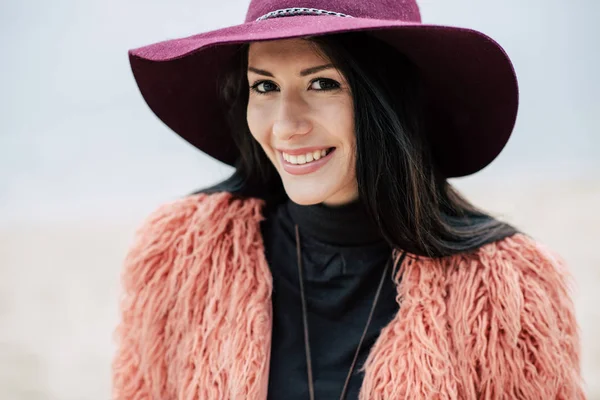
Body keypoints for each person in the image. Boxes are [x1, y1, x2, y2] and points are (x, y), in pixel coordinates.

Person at [112, 0, 585, 399]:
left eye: (322, 83)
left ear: (387, 98)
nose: (285, 125)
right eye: (265, 86)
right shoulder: (182, 258)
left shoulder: (507, 290)